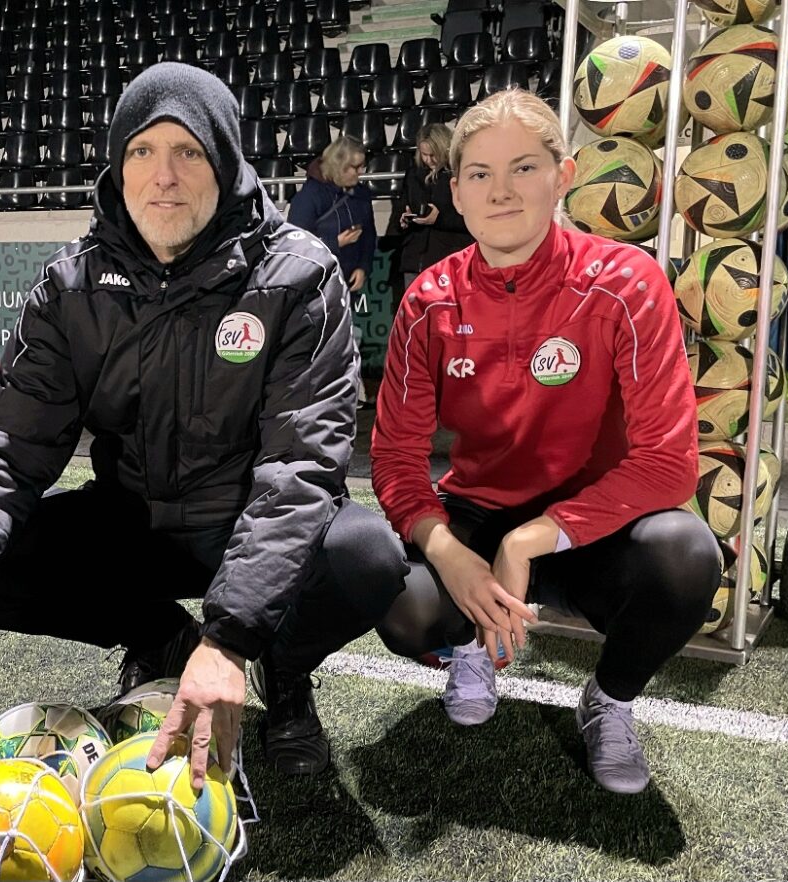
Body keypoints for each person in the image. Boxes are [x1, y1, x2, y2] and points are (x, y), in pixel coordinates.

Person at [0, 63, 408, 783]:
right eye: (142, 152)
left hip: (243, 517)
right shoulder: (73, 283)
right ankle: (161, 637)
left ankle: (284, 676)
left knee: (366, 557)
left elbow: (299, 470)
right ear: (118, 165)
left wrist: (230, 641)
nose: (162, 176)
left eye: (187, 153)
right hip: (129, 522)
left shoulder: (298, 274)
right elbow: (7, 452)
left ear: (225, 162)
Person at [369, 89, 720, 794]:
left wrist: (530, 539)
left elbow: (668, 463)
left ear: (564, 177)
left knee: (687, 559)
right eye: (479, 175)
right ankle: (469, 651)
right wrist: (452, 555)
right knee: (396, 594)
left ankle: (609, 701)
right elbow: (397, 457)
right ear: (457, 194)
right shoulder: (429, 299)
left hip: (595, 523)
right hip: (477, 508)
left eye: (523, 168)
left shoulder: (627, 282)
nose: (500, 192)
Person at [287, 137, 376, 405]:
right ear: (338, 166)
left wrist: (363, 266)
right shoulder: (308, 197)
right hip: (317, 281)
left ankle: (349, 391)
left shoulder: (360, 194)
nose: (360, 173)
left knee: (346, 336)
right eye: (354, 167)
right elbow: (296, 242)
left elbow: (369, 234)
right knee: (320, 339)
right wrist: (334, 243)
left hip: (346, 277)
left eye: (361, 167)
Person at [391, 123, 473, 293]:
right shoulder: (413, 174)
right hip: (415, 259)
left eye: (433, 155)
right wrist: (403, 220)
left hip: (449, 257)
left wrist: (439, 219)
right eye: (424, 154)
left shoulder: (462, 174)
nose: (428, 160)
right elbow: (402, 206)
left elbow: (473, 220)